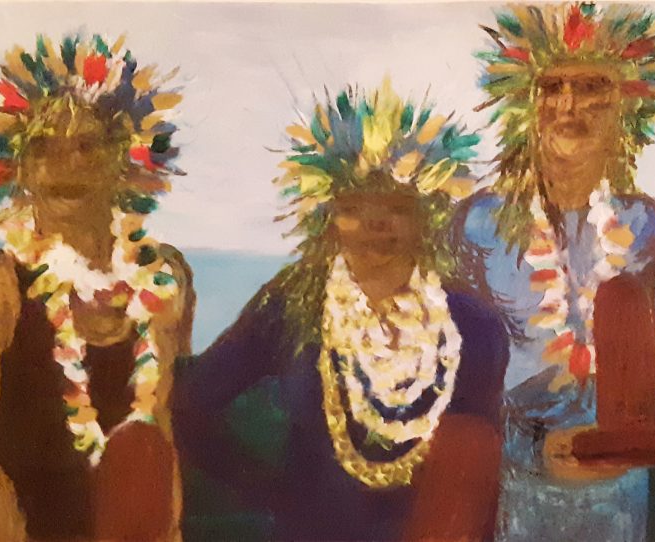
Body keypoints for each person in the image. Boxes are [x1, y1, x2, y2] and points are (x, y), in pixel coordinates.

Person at [172, 80, 510, 541]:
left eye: (396, 206)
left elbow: (474, 469)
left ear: (424, 216)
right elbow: (191, 404)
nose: (376, 224)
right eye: (354, 207)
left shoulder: (473, 326)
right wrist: (266, 491)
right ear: (326, 218)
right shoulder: (292, 305)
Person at [0, 33, 194, 541]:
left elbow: (160, 434)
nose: (65, 164)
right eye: (42, 147)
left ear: (124, 160)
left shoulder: (165, 278)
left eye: (87, 145)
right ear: (19, 168)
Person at [464, 3, 655, 538]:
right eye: (552, 87)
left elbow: (636, 366)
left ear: (625, 109)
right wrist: (536, 450)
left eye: (592, 88)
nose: (569, 106)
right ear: (526, 105)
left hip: (616, 481)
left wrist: (625, 441)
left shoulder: (644, 224)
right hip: (519, 477)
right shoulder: (479, 224)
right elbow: (466, 384)